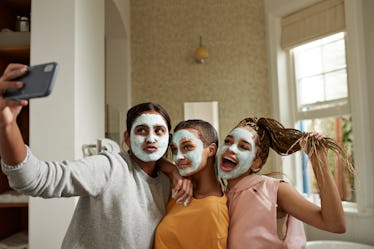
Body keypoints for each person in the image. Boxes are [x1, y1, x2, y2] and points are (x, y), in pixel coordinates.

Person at [0, 63, 192, 249]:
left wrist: (173, 169)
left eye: (159, 131)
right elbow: (34, 178)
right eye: (141, 130)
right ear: (127, 138)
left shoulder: (170, 182)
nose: (151, 138)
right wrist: (7, 124)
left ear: (169, 138)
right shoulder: (108, 167)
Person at [216, 117, 353, 249]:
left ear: (255, 162)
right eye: (227, 141)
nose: (231, 149)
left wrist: (319, 162)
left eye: (243, 147)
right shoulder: (219, 195)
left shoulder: (274, 190)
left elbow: (335, 224)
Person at [155, 119, 229, 249]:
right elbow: (153, 160)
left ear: (211, 150)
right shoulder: (180, 184)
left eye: (187, 147)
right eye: (174, 150)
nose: (177, 157)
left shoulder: (213, 212)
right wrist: (173, 171)